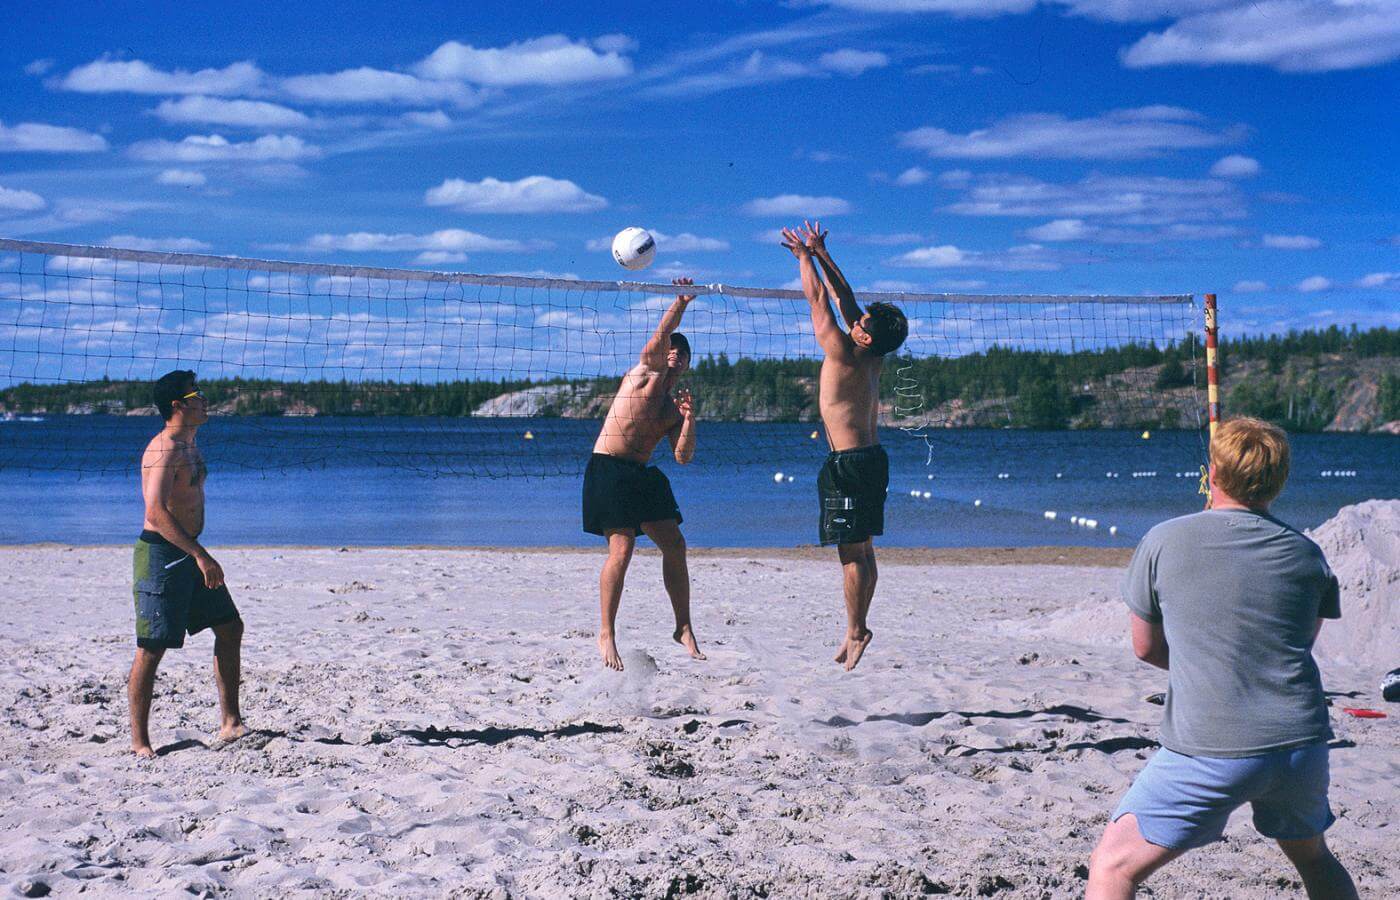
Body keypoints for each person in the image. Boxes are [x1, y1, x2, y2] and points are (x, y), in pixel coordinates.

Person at [1087, 417, 1357, 900]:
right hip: (1300, 743)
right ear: (1280, 479)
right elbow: (1293, 646)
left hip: (1211, 746)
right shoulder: (1308, 555)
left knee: (1113, 867)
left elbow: (1146, 648)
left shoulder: (1163, 540)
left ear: (1212, 474)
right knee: (1314, 857)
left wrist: (1203, 663)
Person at [781, 222, 907, 671]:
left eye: (863, 322)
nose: (856, 320)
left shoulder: (843, 349)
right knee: (864, 549)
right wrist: (821, 252)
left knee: (852, 553)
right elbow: (844, 295)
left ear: (866, 335)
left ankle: (857, 630)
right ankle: (858, 626)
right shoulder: (872, 351)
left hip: (849, 464)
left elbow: (820, 301)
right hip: (873, 459)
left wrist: (802, 259)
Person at [583, 278, 704, 671]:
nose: (674, 354)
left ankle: (682, 625)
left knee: (676, 544)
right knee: (622, 549)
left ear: (686, 363)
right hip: (609, 468)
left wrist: (688, 420)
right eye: (671, 349)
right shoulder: (644, 372)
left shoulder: (672, 408)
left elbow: (682, 457)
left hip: (642, 475)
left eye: (681, 353)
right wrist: (681, 302)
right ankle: (606, 631)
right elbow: (662, 331)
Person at [129, 370, 247, 758]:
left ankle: (230, 723)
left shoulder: (190, 444)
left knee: (230, 627)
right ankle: (139, 742)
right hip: (162, 554)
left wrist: (196, 551)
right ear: (178, 405)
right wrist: (200, 555)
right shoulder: (164, 449)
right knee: (152, 647)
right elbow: (156, 511)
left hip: (189, 548)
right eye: (197, 394)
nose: (205, 400)